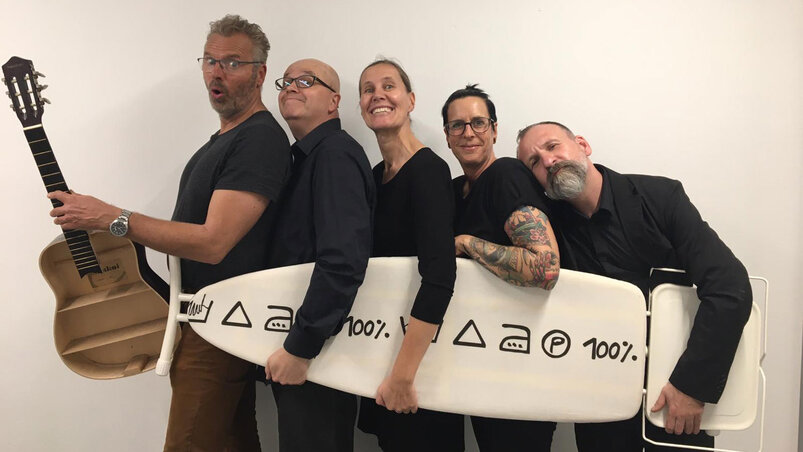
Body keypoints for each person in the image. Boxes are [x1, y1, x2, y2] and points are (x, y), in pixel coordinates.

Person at [48, 15, 291, 451]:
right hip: (207, 321)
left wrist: (112, 217)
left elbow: (213, 243)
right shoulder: (225, 139)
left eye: (232, 63)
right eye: (210, 61)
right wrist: (106, 221)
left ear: (260, 74)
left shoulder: (258, 140)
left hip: (221, 324)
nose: (216, 73)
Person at [516, 121, 752, 451]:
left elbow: (729, 287)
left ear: (583, 144)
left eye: (552, 146)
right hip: (600, 405)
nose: (548, 161)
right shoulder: (546, 228)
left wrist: (693, 386)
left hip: (676, 396)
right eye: (534, 162)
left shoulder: (661, 197)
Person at [266, 58, 375, 452]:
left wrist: (301, 346)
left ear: (334, 102)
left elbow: (343, 260)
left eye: (306, 81)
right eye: (286, 81)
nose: (291, 87)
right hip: (305, 345)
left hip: (316, 352)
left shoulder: (334, 155)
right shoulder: (305, 159)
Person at [444, 85, 560, 451]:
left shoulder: (506, 174)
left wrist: (466, 243)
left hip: (522, 368)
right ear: (447, 136)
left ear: (494, 130)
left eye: (478, 123)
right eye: (457, 125)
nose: (468, 133)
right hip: (482, 359)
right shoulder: (455, 191)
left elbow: (544, 268)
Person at [354, 59, 458, 452]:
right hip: (382, 350)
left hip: (417, 365)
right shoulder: (375, 176)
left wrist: (403, 374)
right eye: (367, 89)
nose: (377, 95)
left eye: (388, 86)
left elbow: (440, 277)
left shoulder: (429, 170)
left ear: (410, 100)